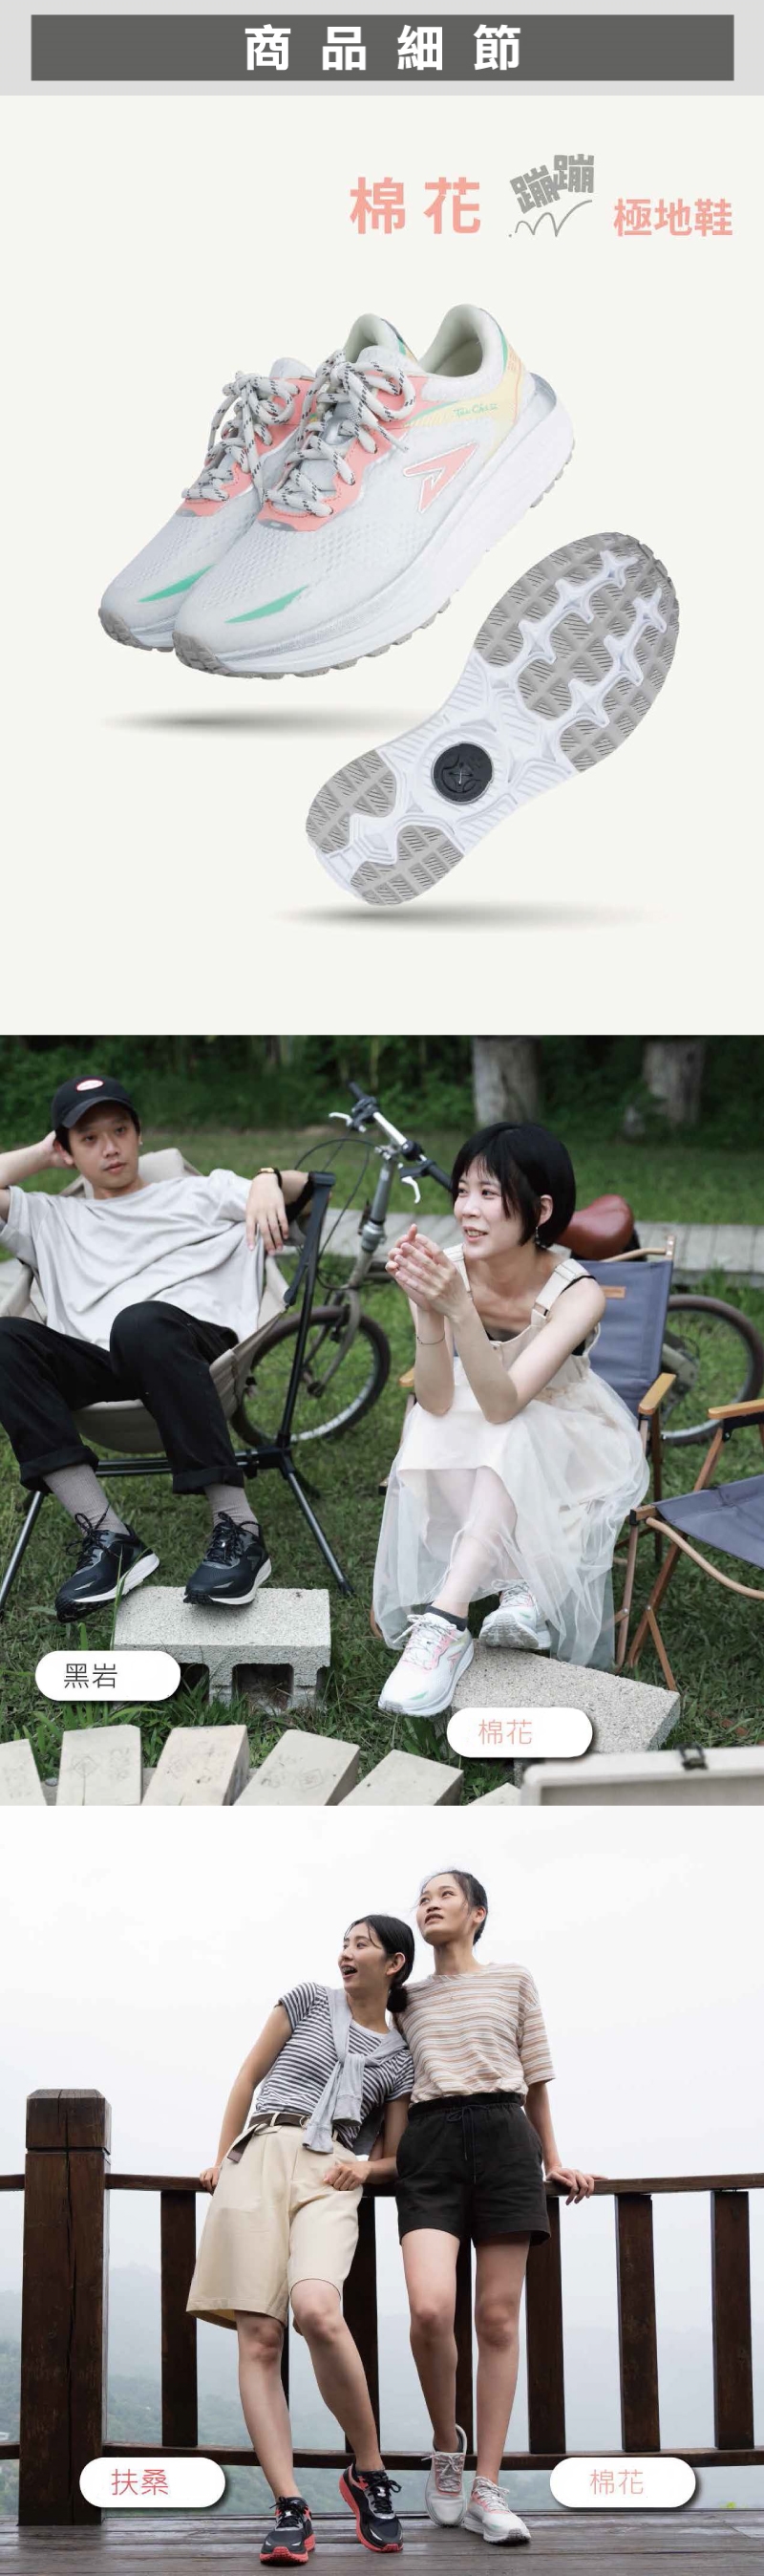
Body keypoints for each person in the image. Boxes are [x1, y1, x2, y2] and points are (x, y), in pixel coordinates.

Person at [0, 1072, 314, 1619]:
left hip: (195, 1350)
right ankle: (108, 1538)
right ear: (66, 1151)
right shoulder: (50, 1216)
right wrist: (43, 1154)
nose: (110, 1148)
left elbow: (312, 1188)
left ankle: (240, 1530)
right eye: (89, 1138)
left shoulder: (200, 1191)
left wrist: (267, 1178)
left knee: (141, 1323)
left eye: (120, 1130)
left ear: (140, 1134)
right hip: (103, 1364)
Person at [373, 1122, 648, 1716]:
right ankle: (519, 1581)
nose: (467, 1209)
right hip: (475, 1424)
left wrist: (458, 1309)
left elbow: (506, 1402)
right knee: (432, 1421)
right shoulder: (448, 1269)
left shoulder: (578, 1293)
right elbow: (436, 1398)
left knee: (510, 1429)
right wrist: (428, 1311)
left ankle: (445, 1622)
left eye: (489, 1194)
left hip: (569, 1432)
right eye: (462, 1190)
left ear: (540, 1210)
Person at [187, 1915, 414, 2563]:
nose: (347, 1952)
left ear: (394, 1963)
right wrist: (222, 2156)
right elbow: (247, 2077)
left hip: (332, 2170)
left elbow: (396, 2156)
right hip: (259, 2154)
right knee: (260, 2337)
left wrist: (365, 2169)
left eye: (362, 1944)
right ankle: (289, 2504)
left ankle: (368, 2472)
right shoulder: (309, 1999)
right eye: (344, 1943)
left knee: (317, 2309)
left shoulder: (400, 2056)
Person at [393, 1869, 595, 2548]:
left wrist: (553, 2160)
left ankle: (487, 2485)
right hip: (431, 2145)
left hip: (507, 2139)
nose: (429, 1904)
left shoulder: (513, 1980)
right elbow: (388, 2082)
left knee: (498, 2319)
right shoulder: (405, 1999)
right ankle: (446, 2447)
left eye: (444, 1895)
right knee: (430, 2309)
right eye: (423, 1898)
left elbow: (535, 2080)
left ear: (477, 1913)